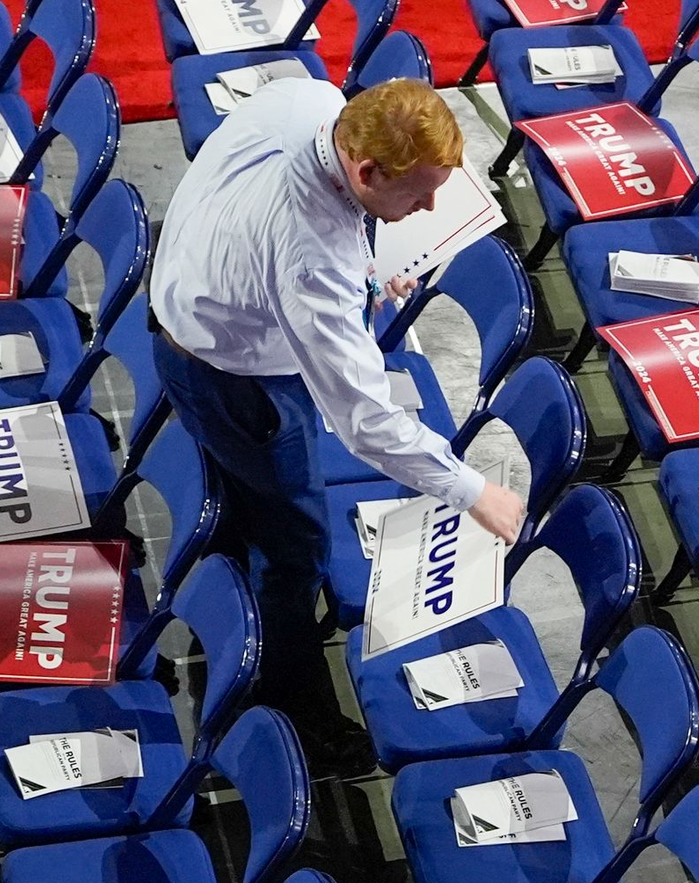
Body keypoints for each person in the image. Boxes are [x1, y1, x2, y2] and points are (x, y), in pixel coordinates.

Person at [149, 76, 526, 775]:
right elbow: (364, 421)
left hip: (193, 310)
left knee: (249, 504)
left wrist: (368, 269)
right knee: (298, 548)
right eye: (418, 192)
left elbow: (339, 242)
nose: (431, 206)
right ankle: (286, 699)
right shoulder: (311, 258)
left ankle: (230, 583)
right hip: (234, 377)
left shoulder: (318, 102)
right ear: (366, 170)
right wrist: (472, 490)